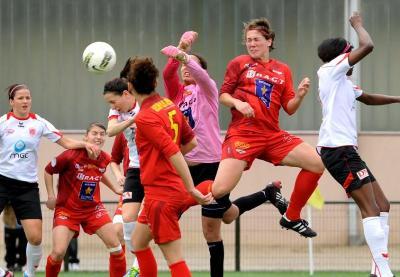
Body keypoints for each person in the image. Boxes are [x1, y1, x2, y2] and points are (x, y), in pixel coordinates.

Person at [161, 31, 289, 276]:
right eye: (183, 65)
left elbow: (198, 73)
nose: (186, 68)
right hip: (185, 166)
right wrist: (180, 50)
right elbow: (168, 74)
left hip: (211, 165)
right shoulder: (177, 93)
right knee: (228, 214)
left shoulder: (208, 89)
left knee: (211, 229)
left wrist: (185, 56)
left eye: (192, 64)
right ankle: (267, 193)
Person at [205, 16, 325, 243]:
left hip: (272, 135)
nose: (251, 44)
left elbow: (289, 108)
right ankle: (262, 195)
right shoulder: (239, 63)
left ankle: (291, 216)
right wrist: (238, 104)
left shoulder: (283, 70)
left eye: (256, 39)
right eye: (248, 40)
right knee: (219, 191)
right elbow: (223, 95)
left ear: (269, 41)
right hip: (243, 134)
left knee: (317, 163)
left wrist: (299, 96)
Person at [317, 12, 398, 277]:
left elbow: (369, 98)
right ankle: (384, 271)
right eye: (349, 53)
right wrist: (358, 25)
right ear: (341, 55)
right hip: (337, 150)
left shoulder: (343, 82)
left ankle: (378, 268)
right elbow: (368, 46)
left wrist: (398, 99)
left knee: (383, 205)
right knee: (370, 209)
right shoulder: (330, 70)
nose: (353, 58)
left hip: (346, 150)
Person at [124, 56, 213, 276]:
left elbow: (173, 152)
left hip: (162, 195)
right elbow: (191, 142)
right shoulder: (168, 104)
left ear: (130, 86)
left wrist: (191, 188)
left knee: (175, 260)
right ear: (155, 82)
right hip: (160, 191)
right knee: (138, 243)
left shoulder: (144, 117)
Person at [0, 84, 99, 277]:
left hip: (26, 187)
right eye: (20, 98)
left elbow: (65, 142)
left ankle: (29, 274)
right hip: (2, 182)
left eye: (28, 97)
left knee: (35, 238)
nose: (25, 101)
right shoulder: (3, 123)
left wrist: (85, 143)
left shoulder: (39, 123)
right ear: (11, 102)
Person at [44, 122, 126, 277]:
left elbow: (99, 172)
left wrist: (115, 188)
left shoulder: (104, 158)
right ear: (86, 137)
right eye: (94, 133)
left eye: (102, 134)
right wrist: (50, 195)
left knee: (116, 247)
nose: (99, 137)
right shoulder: (70, 155)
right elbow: (48, 170)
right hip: (67, 210)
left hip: (93, 209)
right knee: (58, 253)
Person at [109, 132, 140, 276]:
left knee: (143, 231)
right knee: (117, 231)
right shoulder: (124, 129)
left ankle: (136, 268)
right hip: (132, 184)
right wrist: (118, 175)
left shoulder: (154, 122)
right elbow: (114, 159)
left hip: (153, 183)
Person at [3, 204, 27, 272]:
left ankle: (20, 264)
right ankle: (11, 265)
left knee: (23, 247)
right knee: (9, 247)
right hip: (9, 224)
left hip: (23, 225)